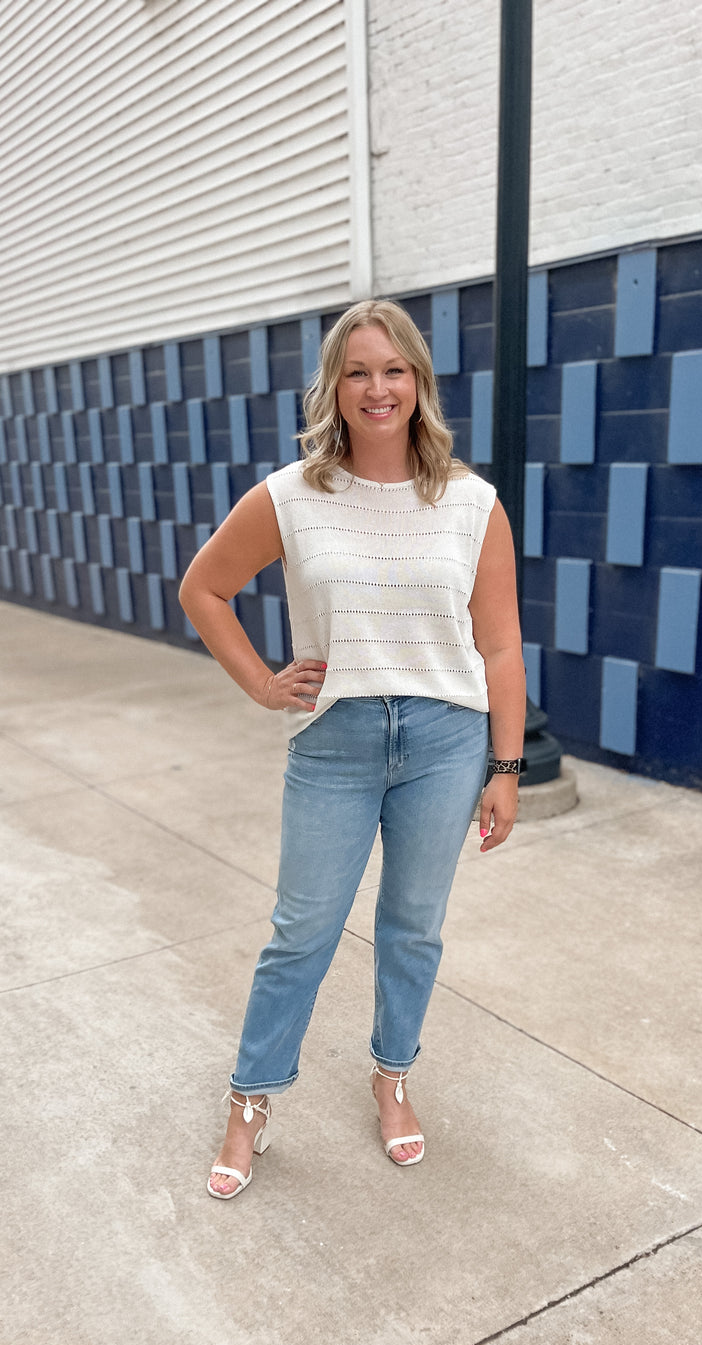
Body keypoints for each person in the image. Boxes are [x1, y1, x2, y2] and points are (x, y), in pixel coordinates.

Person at [178, 299, 525, 1200]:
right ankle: (250, 1100)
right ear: (333, 385)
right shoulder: (293, 495)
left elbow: (499, 647)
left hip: (448, 741)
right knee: (302, 935)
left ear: (420, 383)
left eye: (394, 370)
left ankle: (393, 1075)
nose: (378, 388)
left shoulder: (472, 504)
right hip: (334, 741)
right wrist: (262, 683)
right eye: (358, 371)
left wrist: (506, 765)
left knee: (413, 929)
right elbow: (204, 587)